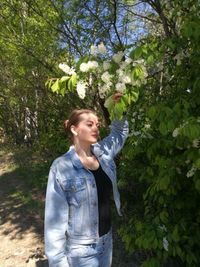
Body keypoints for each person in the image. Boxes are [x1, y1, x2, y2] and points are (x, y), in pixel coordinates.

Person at [44, 95, 129, 267]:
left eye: (97, 124)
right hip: (81, 252)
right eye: (89, 124)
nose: (96, 128)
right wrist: (58, 262)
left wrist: (118, 107)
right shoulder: (61, 167)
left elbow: (119, 133)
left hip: (107, 242)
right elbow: (54, 223)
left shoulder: (103, 153)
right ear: (74, 129)